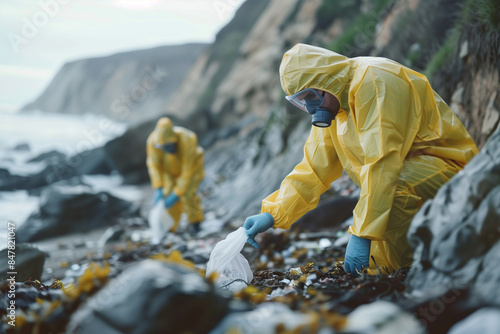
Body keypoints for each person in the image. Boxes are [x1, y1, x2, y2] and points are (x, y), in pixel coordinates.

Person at [243, 43, 478, 276]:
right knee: (379, 257)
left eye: (311, 97)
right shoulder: (335, 106)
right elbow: (314, 168)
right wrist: (273, 213)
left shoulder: (376, 80)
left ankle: (417, 275)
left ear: (325, 82)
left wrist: (362, 233)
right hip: (406, 176)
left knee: (392, 196)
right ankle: (401, 276)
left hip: (450, 170)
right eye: (302, 102)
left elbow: (383, 162)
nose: (311, 107)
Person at [146, 117, 204, 236]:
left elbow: (187, 170)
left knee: (188, 195)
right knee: (167, 196)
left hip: (192, 169)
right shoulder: (153, 142)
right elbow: (154, 166)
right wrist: (159, 187)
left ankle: (196, 225)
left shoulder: (187, 138)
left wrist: (177, 193)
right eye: (165, 147)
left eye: (170, 145)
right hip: (169, 171)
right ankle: (171, 228)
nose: (168, 149)